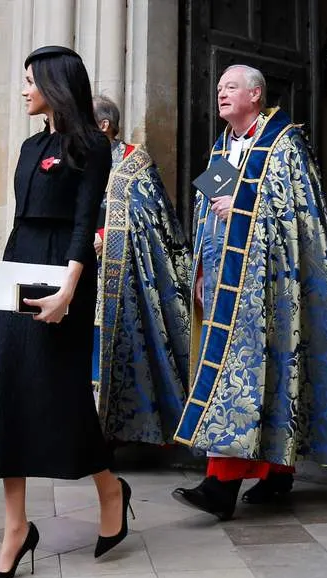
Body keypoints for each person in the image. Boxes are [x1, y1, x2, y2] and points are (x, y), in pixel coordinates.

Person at [171, 65, 327, 521]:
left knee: (263, 376)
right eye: (217, 89)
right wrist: (201, 272)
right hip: (225, 285)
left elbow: (298, 214)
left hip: (271, 288)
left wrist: (244, 206)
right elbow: (210, 215)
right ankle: (276, 470)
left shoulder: (283, 142)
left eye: (230, 88)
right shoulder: (222, 146)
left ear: (255, 94)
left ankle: (221, 485)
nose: (221, 95)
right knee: (252, 379)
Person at [0, 47, 132, 578]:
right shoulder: (28, 145)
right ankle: (15, 528)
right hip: (21, 266)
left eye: (30, 81)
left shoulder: (91, 143)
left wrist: (68, 289)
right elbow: (22, 218)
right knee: (9, 391)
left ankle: (110, 488)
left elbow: (85, 220)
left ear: (53, 83)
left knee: (61, 392)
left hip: (64, 273)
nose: (23, 90)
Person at [91, 94, 192, 445]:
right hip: (81, 272)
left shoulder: (135, 161)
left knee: (123, 353)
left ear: (104, 125)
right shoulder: (79, 158)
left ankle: (118, 433)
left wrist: (107, 235)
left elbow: (153, 216)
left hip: (125, 277)